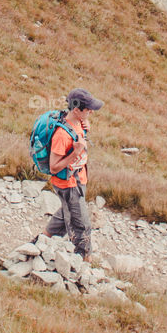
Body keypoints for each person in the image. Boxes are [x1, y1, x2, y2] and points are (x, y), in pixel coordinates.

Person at [44, 88, 103, 260]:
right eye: (88, 109)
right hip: (69, 184)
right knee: (82, 226)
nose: (91, 111)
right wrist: (74, 155)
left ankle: (38, 243)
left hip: (78, 179)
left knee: (65, 213)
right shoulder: (62, 135)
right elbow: (54, 167)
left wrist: (85, 129)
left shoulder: (77, 122)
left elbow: (79, 139)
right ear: (76, 110)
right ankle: (84, 264)